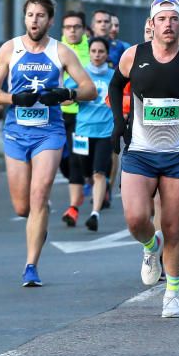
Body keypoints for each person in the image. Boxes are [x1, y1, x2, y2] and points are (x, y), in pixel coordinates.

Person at [109, 0, 179, 318]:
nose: (168, 24)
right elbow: (116, 87)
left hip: (178, 154)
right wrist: (120, 121)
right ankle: (148, 247)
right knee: (135, 218)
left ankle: (172, 293)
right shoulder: (134, 56)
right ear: (152, 24)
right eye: (162, 19)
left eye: (174, 19)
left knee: (173, 228)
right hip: (141, 152)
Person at [0, 0, 95, 287]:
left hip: (49, 132)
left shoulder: (60, 52)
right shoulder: (9, 49)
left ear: (50, 21)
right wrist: (14, 98)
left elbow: (88, 88)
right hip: (15, 132)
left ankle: (31, 266)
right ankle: (38, 216)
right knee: (22, 208)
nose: (34, 20)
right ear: (24, 18)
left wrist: (67, 94)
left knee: (38, 197)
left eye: (40, 16)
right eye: (30, 15)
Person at [70, 36, 114, 231]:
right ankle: (97, 189)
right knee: (87, 172)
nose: (97, 55)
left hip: (106, 132)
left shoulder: (113, 76)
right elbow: (66, 97)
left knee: (99, 173)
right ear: (89, 53)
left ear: (107, 54)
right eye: (94, 51)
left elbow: (124, 98)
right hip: (82, 131)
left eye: (101, 52)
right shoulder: (81, 74)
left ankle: (95, 213)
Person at [58, 10, 90, 227]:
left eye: (76, 27)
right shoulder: (54, 50)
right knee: (62, 161)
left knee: (77, 159)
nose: (72, 30)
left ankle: (73, 207)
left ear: (83, 29)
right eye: (68, 27)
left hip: (83, 116)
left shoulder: (92, 51)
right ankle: (91, 180)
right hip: (57, 115)